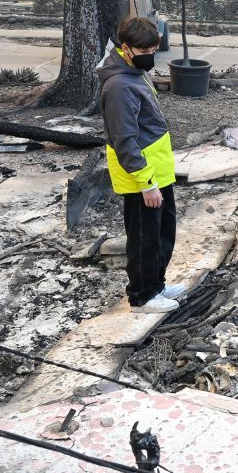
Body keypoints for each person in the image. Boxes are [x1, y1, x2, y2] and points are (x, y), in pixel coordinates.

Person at [100, 16, 187, 313]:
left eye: (154, 50)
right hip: (142, 179)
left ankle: (157, 283)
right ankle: (142, 295)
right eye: (146, 52)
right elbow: (124, 140)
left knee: (163, 232)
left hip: (157, 172)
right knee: (144, 237)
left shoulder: (134, 72)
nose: (151, 57)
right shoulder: (120, 86)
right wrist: (146, 183)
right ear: (126, 48)